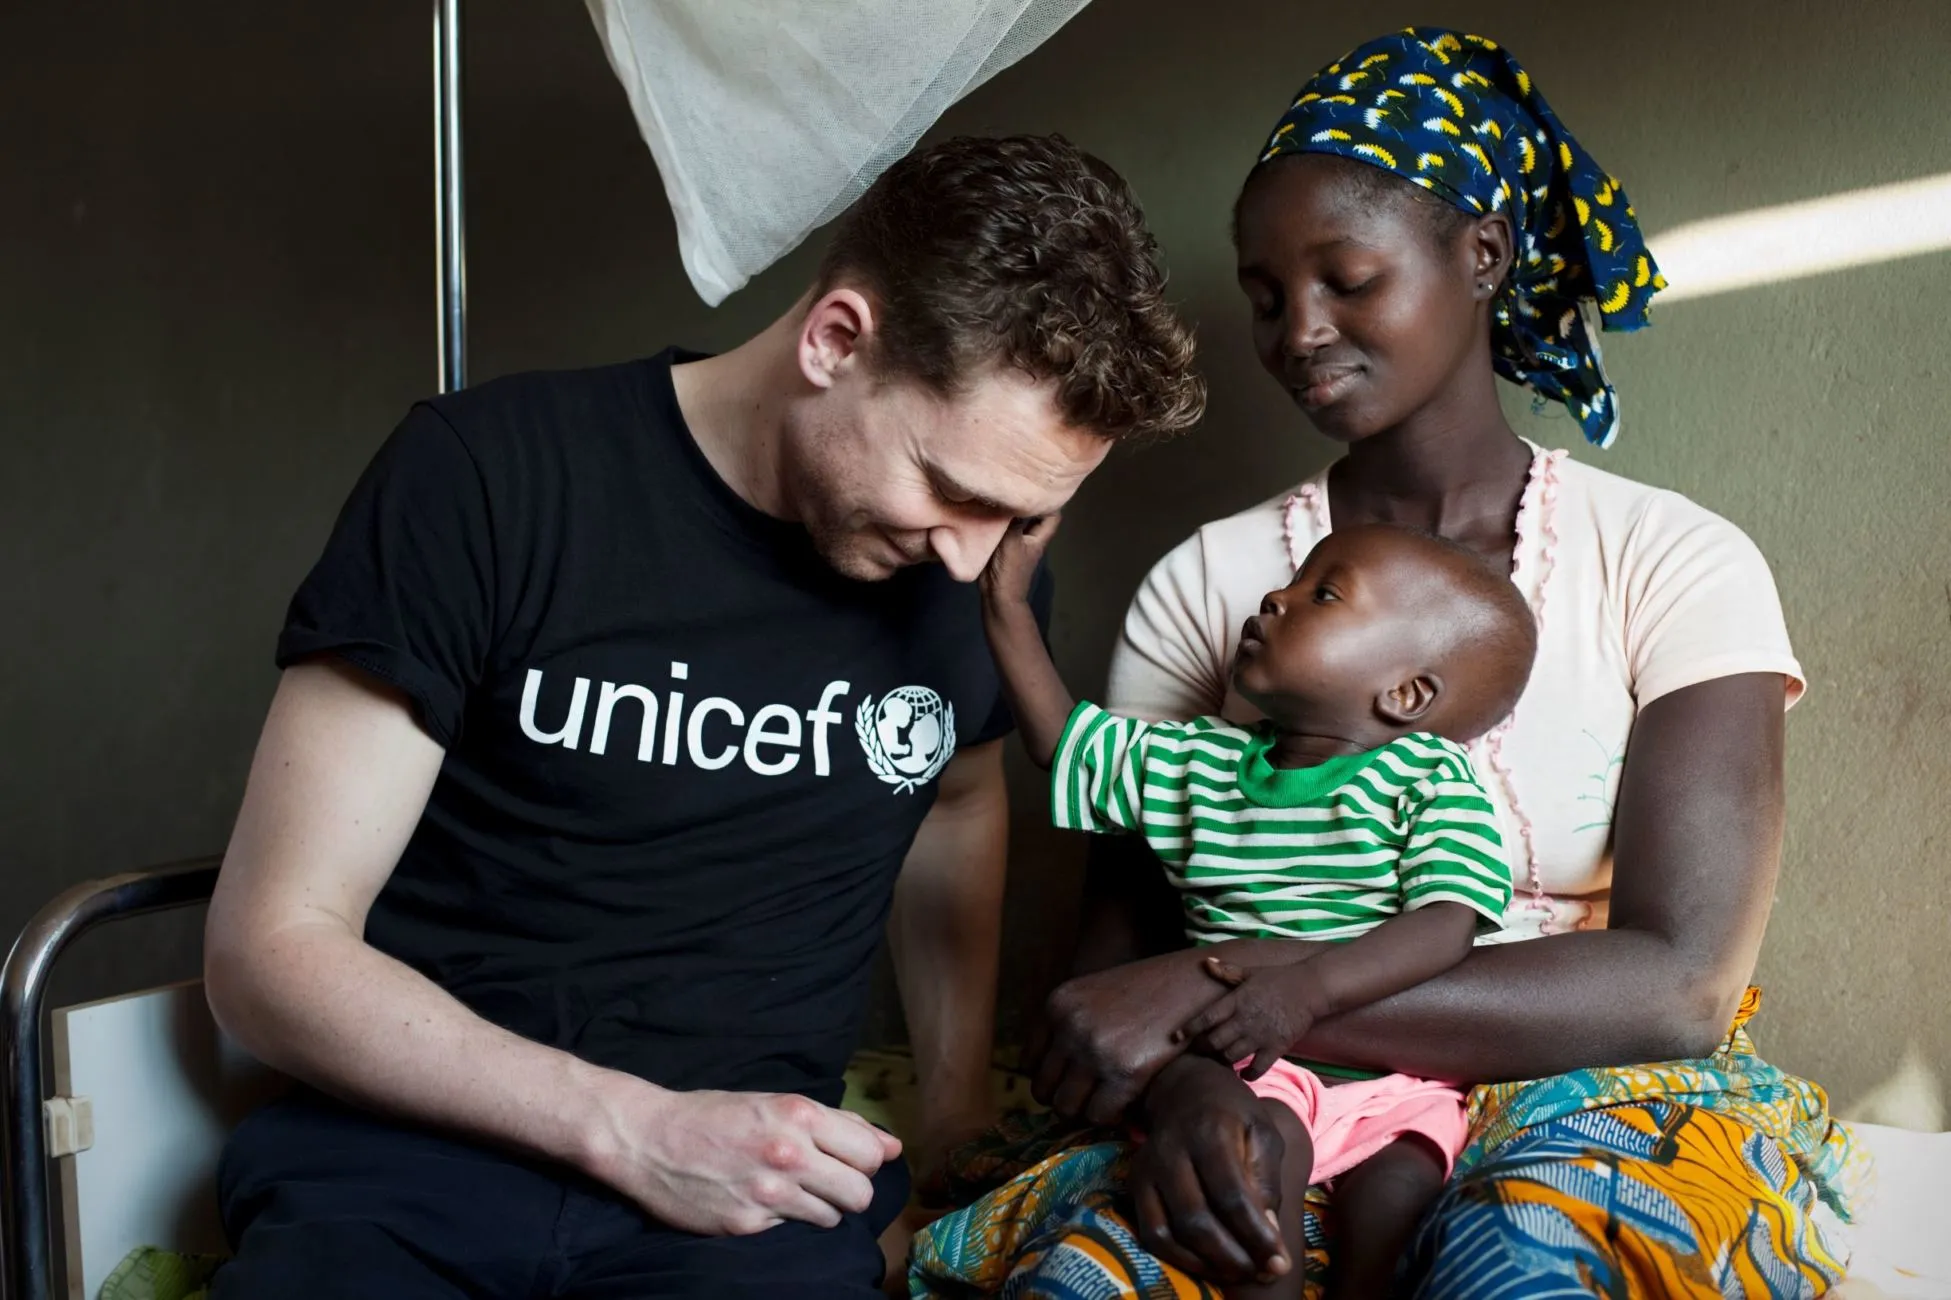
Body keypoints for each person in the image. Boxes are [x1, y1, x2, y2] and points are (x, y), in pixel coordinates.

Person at [914, 29, 1863, 1300]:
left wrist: (1221, 997)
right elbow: (1105, 974)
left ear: (1482, 253)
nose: (1298, 331)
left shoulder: (1670, 560)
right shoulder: (1213, 582)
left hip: (1590, 1089)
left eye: (1346, 280)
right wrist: (1195, 1084)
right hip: (1258, 1093)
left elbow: (1676, 983)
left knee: (1516, 1272)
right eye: (1263, 296)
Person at [201, 133, 1204, 1300]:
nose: (973, 558)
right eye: (951, 489)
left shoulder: (975, 575)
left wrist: (953, 1109)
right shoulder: (487, 478)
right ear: (836, 340)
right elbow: (269, 951)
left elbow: (955, 795)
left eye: (1023, 521)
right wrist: (634, 1130)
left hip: (754, 1200)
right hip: (406, 1163)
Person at [976, 514, 1537, 1298]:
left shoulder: (1428, 780)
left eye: (1323, 594)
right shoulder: (1193, 760)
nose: (1275, 598)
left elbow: (1447, 922)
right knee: (1254, 1165)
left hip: (1401, 1074)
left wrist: (1306, 991)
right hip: (1255, 1065)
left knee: (1399, 1198)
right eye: (1292, 581)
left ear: (1404, 694)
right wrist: (1004, 603)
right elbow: (1058, 742)